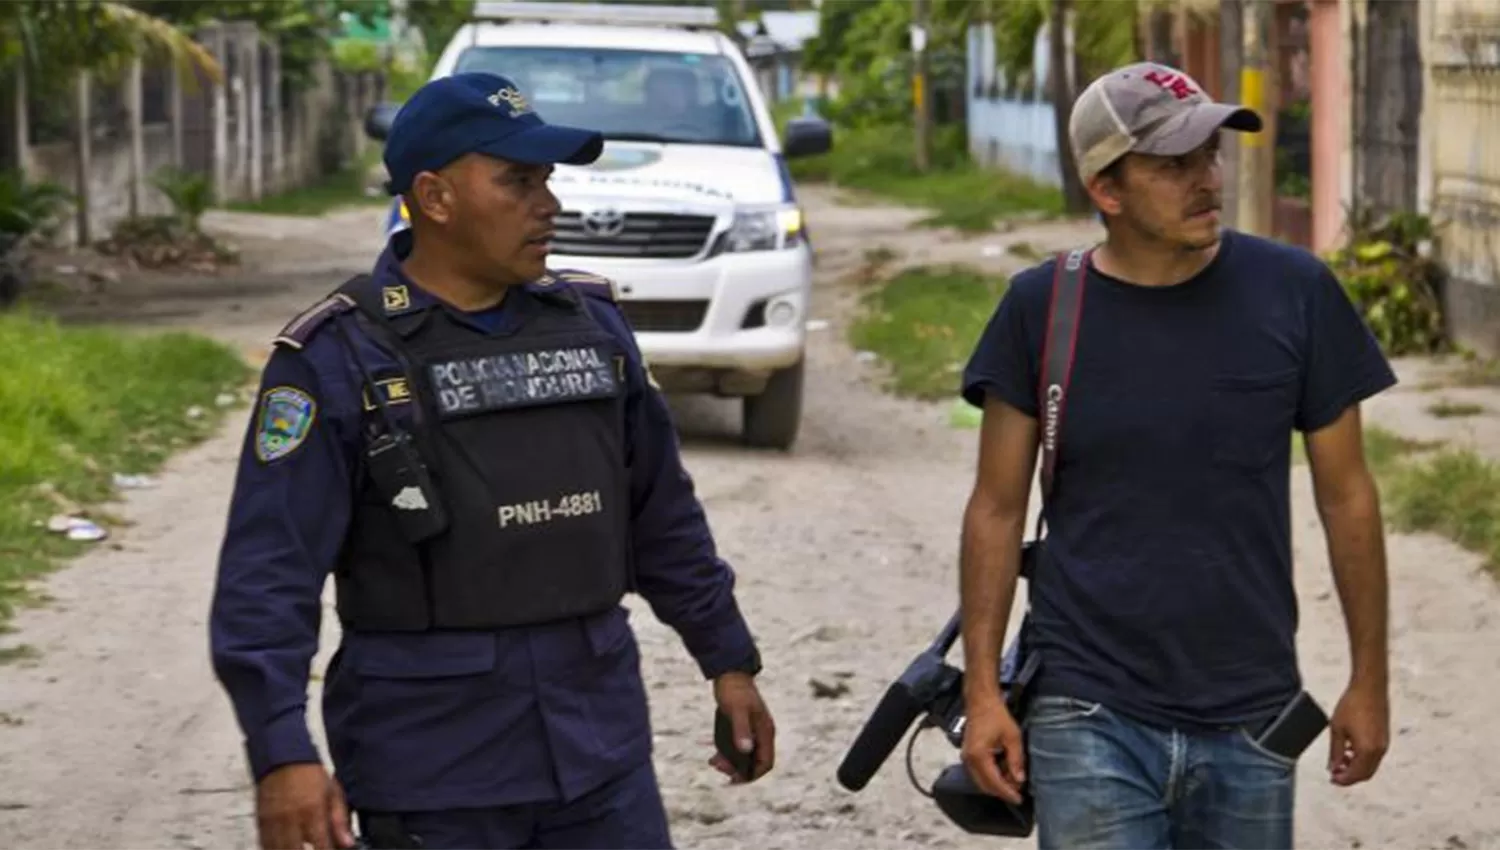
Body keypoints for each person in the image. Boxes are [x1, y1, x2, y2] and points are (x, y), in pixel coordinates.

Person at [208, 71, 775, 850]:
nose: (550, 205)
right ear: (435, 197)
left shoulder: (593, 328)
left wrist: (728, 661)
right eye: (517, 181)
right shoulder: (338, 358)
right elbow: (269, 574)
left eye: (546, 179)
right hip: (434, 765)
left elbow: (661, 515)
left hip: (599, 750)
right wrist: (281, 752)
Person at [955, 62, 1395, 849]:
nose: (1206, 181)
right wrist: (984, 693)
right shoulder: (1042, 309)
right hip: (1087, 704)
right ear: (1107, 189)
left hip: (1254, 710)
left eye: (1210, 156)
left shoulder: (1295, 292)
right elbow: (995, 507)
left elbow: (1348, 496)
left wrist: (1370, 678)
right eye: (1172, 164)